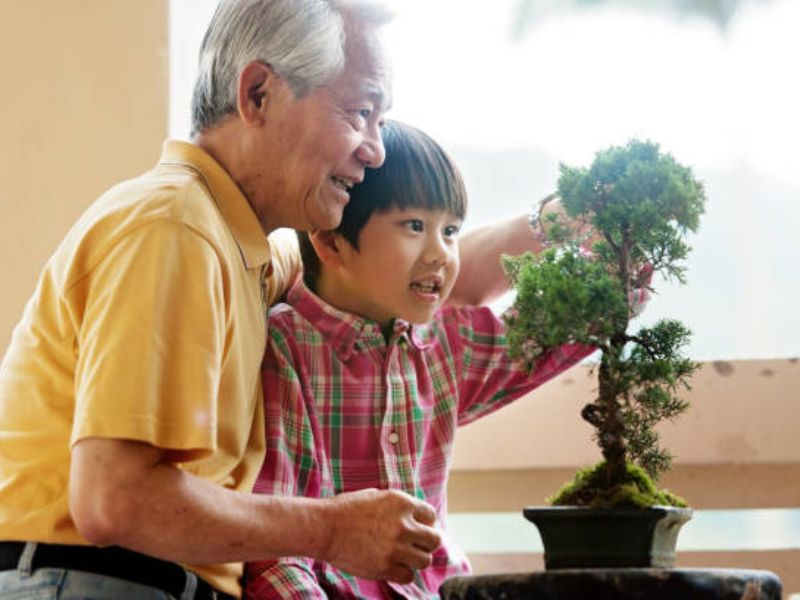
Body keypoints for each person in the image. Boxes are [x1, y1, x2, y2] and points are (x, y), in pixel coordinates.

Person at [0, 1, 539, 598]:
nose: (375, 149)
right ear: (257, 95)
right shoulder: (174, 230)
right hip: (90, 582)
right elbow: (115, 501)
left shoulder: (249, 248)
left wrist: (561, 223)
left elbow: (423, 280)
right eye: (361, 112)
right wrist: (332, 530)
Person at [244, 120, 602, 599]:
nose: (440, 253)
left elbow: (545, 335)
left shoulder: (443, 343)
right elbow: (277, 549)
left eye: (451, 230)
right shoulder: (288, 346)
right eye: (415, 226)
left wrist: (613, 251)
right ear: (331, 242)